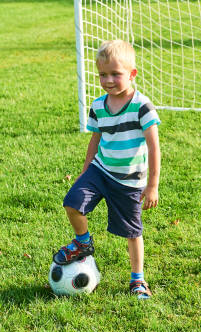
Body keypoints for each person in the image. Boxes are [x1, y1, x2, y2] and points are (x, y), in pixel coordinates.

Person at [53, 40, 161, 300]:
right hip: (100, 170)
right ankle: (83, 242)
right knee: (72, 202)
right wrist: (86, 169)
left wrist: (152, 185)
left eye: (115, 74)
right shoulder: (99, 105)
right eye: (103, 74)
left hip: (129, 181)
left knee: (132, 232)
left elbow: (154, 146)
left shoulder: (141, 106)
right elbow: (95, 138)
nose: (108, 80)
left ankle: (137, 280)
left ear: (132, 74)